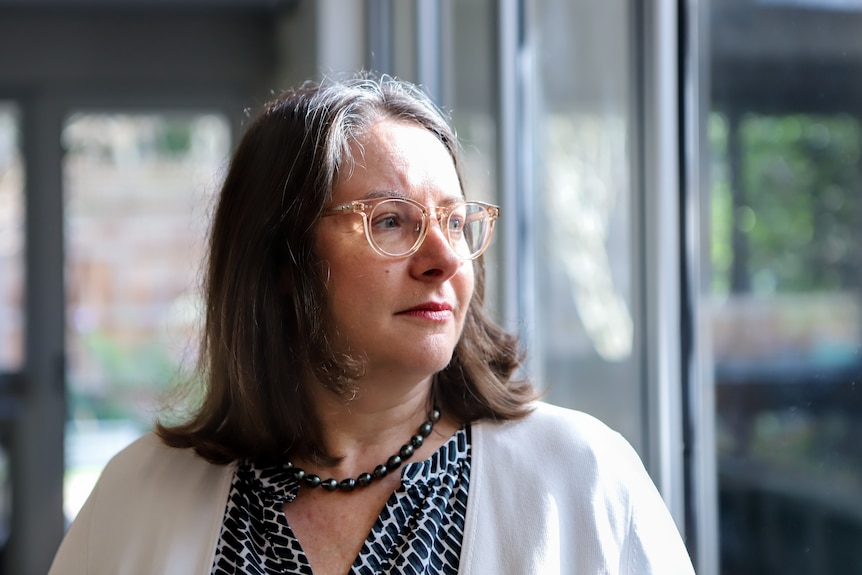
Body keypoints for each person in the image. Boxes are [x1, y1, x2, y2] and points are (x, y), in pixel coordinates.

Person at [49, 73, 695, 575]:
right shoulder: (136, 495)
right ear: (281, 259)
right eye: (391, 221)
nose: (444, 258)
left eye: (452, 220)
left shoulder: (582, 478)